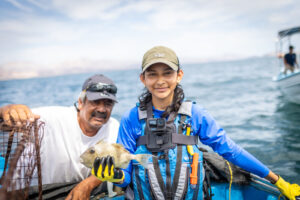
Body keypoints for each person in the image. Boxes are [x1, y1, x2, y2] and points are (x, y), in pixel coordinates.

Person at [91, 46, 300, 200]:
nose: (160, 80)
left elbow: (231, 151)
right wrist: (116, 175)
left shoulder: (195, 114)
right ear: (143, 79)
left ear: (179, 76)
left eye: (167, 73)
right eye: (152, 74)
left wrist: (277, 180)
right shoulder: (130, 119)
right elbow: (125, 176)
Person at [0, 74, 120, 200]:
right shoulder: (49, 119)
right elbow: (7, 119)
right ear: (80, 102)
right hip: (29, 192)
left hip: (71, 190)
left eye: (108, 104)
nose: (102, 109)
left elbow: (112, 165)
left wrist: (88, 184)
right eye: (95, 102)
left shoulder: (114, 127)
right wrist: (7, 110)